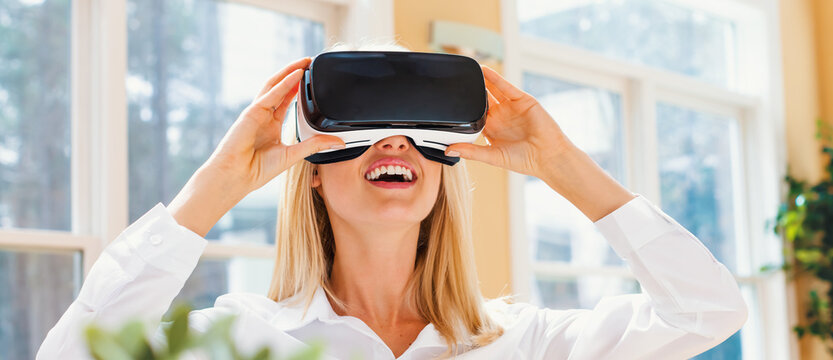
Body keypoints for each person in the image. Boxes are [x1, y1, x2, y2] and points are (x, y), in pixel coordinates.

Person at [38, 43, 748, 360]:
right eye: (367, 130)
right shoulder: (247, 339)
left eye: (415, 134)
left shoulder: (523, 344)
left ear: (443, 171)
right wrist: (210, 191)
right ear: (313, 171)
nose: (393, 146)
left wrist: (560, 164)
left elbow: (708, 311)